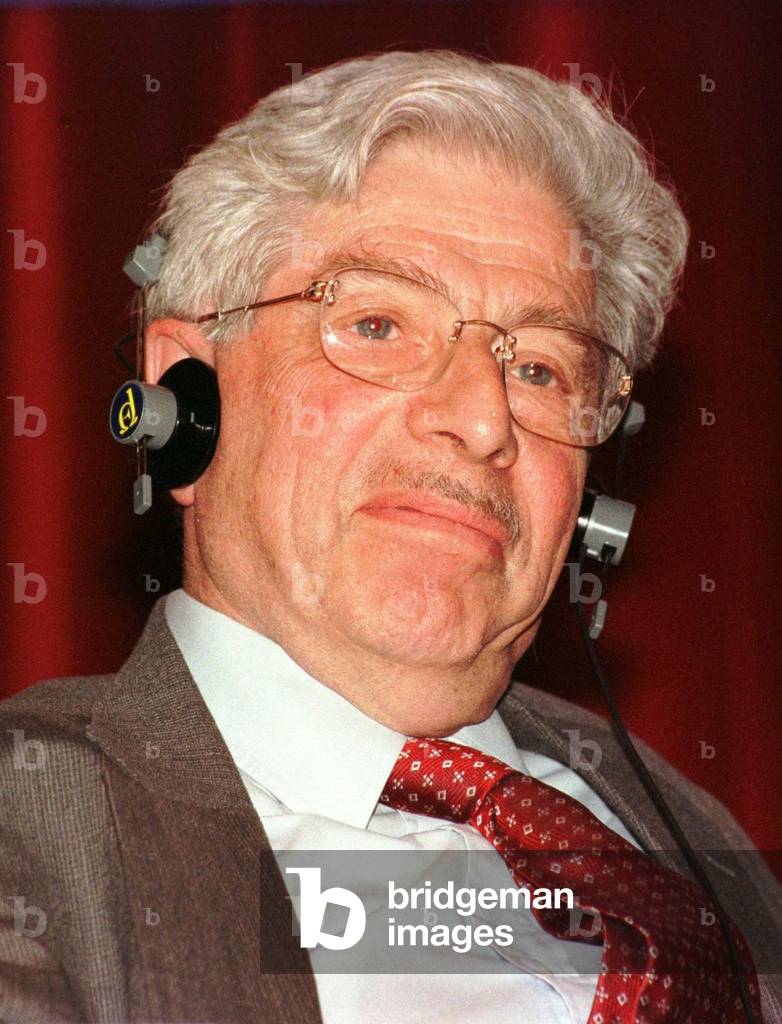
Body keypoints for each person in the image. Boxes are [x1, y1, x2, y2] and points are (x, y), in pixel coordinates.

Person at [1, 49, 779, 1024]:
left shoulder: (691, 838)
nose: (484, 419)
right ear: (185, 402)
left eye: (539, 370)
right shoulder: (30, 829)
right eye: (377, 325)